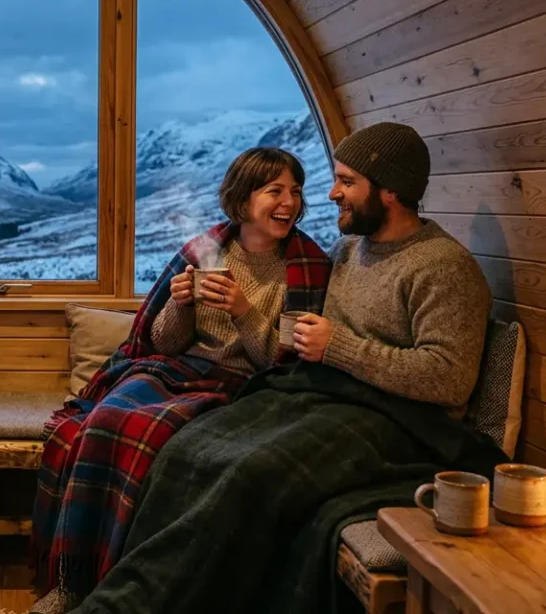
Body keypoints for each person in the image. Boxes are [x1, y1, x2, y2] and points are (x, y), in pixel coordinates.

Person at [65, 122, 504, 614]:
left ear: (391, 190)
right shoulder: (349, 251)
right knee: (190, 448)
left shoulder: (443, 267)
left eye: (347, 181)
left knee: (251, 473)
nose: (331, 193)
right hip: (324, 396)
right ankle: (117, 595)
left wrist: (336, 346)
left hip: (401, 422)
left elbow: (448, 378)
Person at [29, 147, 332, 614]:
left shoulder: (307, 267)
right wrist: (180, 305)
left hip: (243, 385)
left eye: (295, 191)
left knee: (154, 438)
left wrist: (244, 311)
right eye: (275, 191)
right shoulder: (204, 250)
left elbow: (280, 362)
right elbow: (163, 344)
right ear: (243, 199)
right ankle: (71, 580)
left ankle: (122, 582)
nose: (288, 202)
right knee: (107, 419)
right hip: (176, 369)